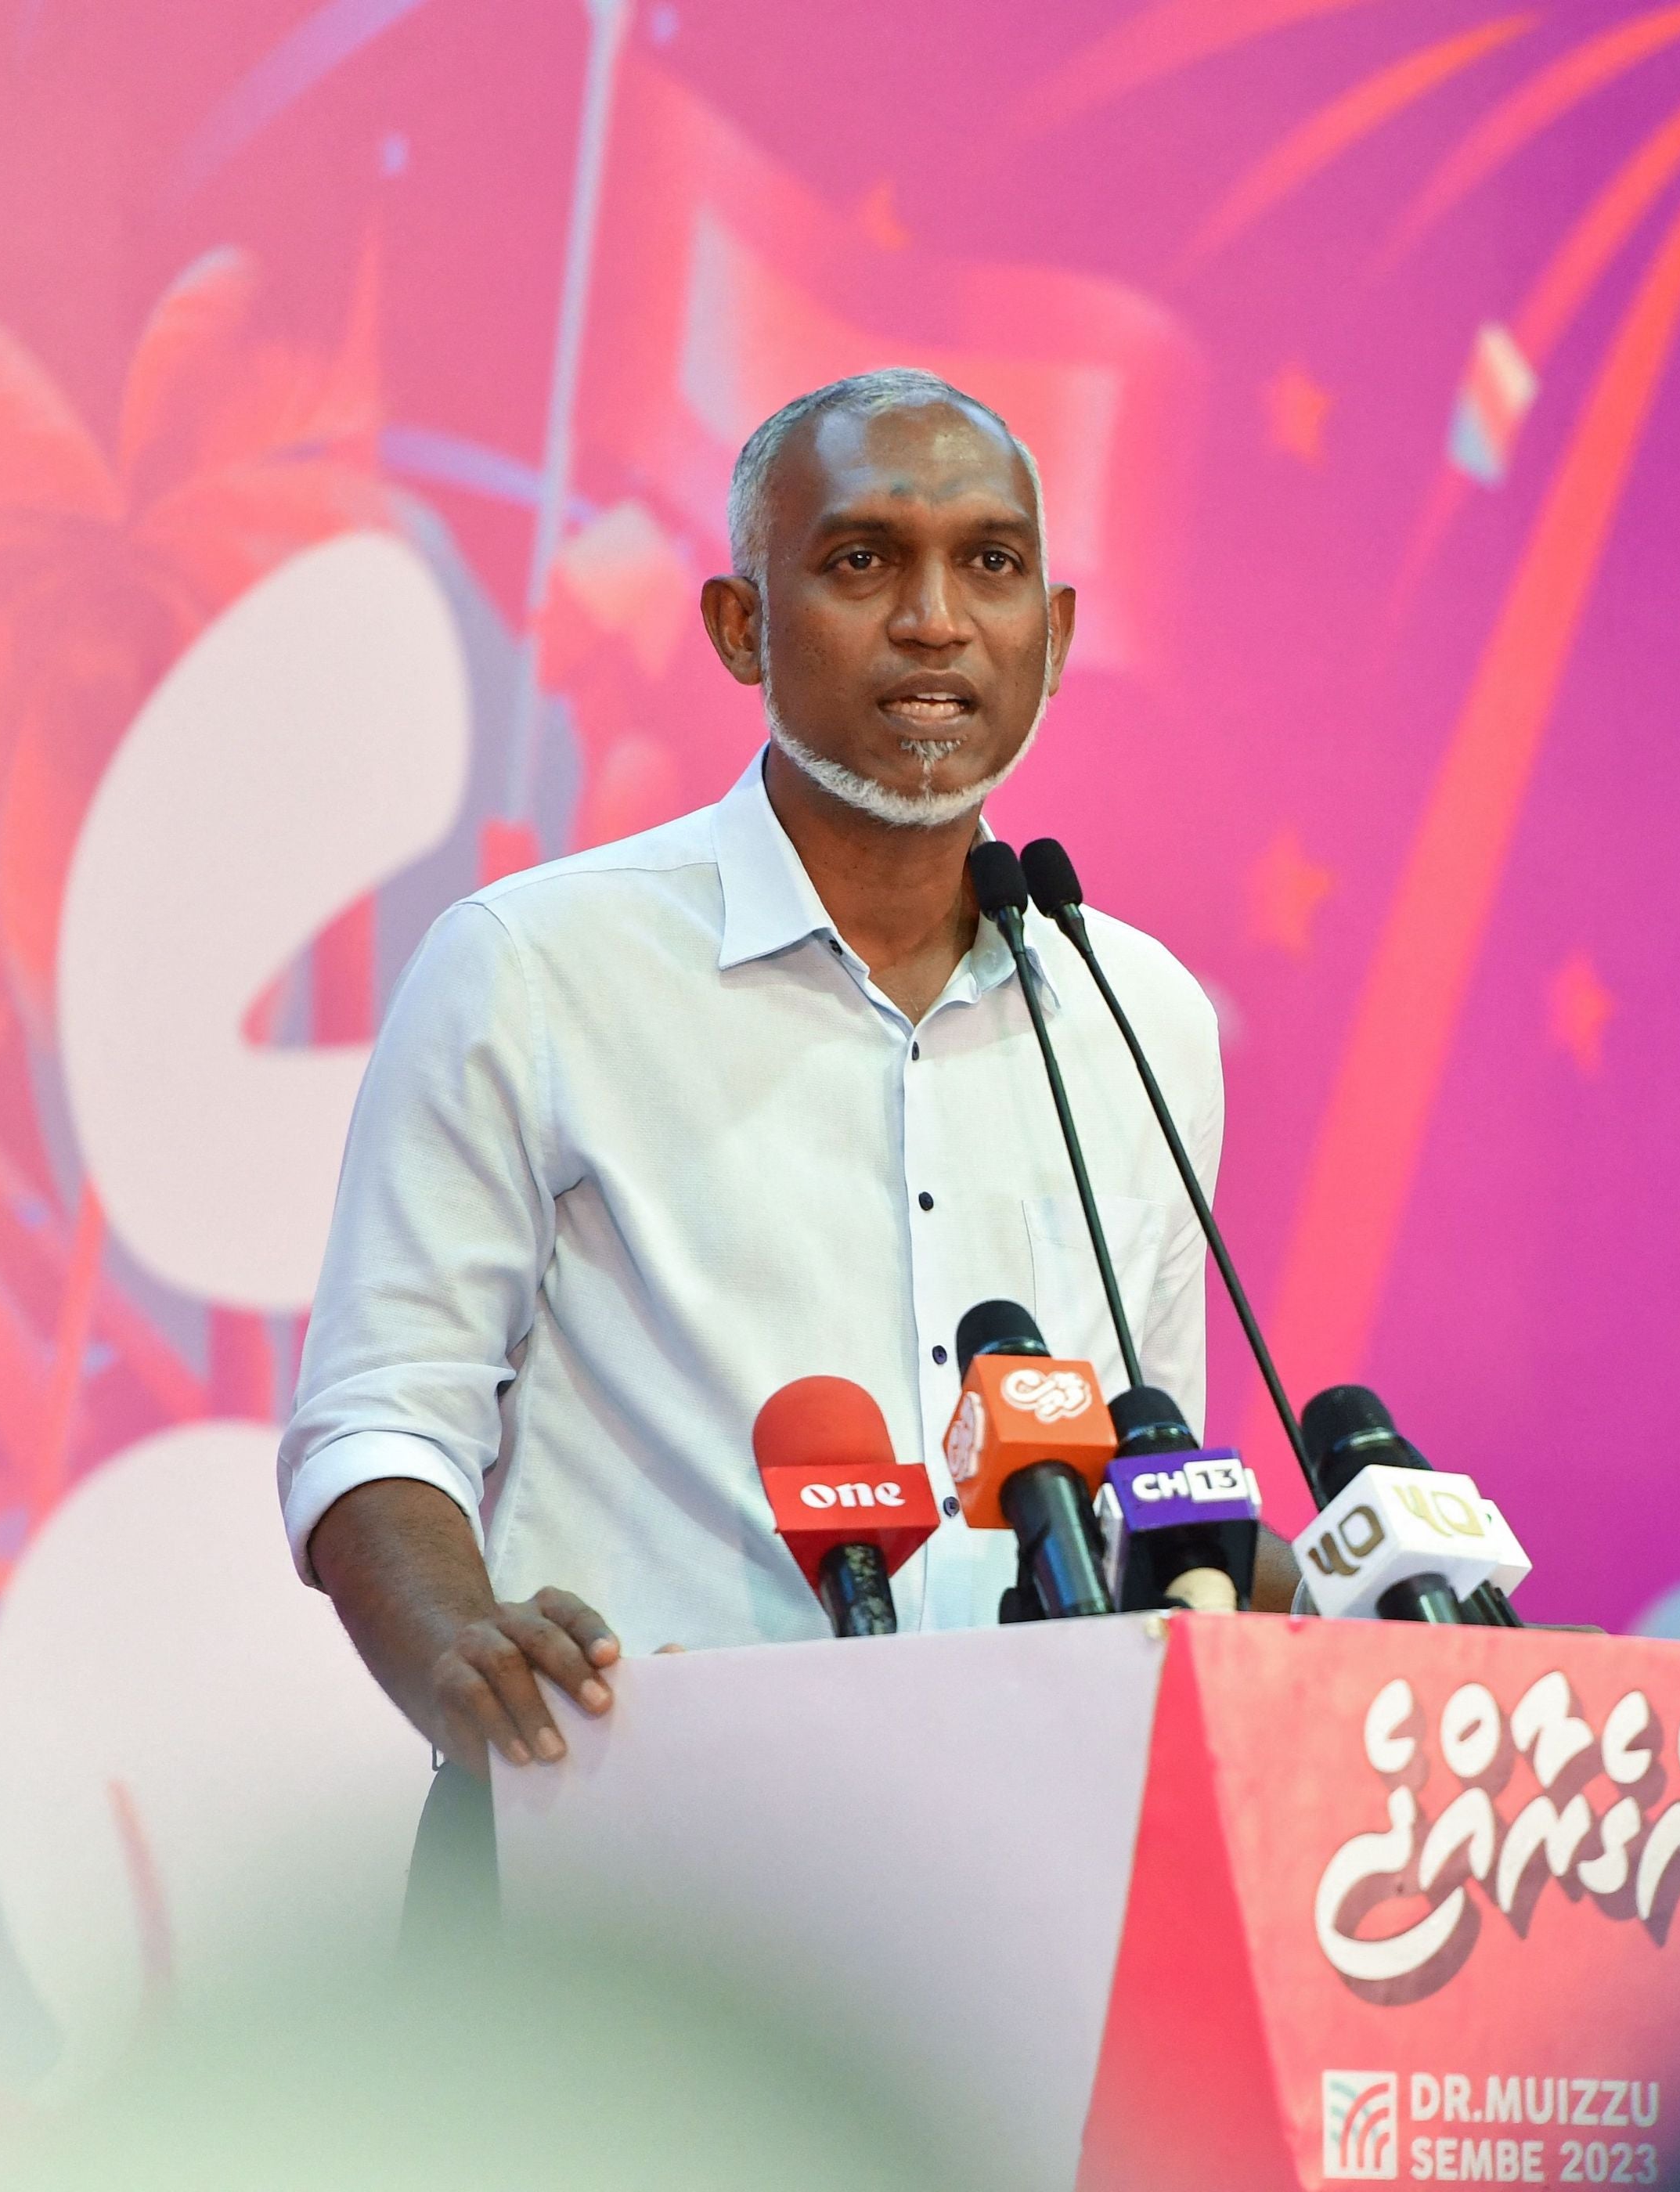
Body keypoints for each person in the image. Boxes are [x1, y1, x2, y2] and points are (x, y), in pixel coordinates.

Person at [278, 371, 1244, 1918]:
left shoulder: (1141, 1015)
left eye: (990, 566)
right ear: (741, 626)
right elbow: (376, 1427)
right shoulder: (536, 967)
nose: (937, 620)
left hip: (1015, 1889)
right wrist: (459, 1647)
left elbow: (1151, 1479)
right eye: (864, 560)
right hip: (615, 1870)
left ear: (1055, 635)